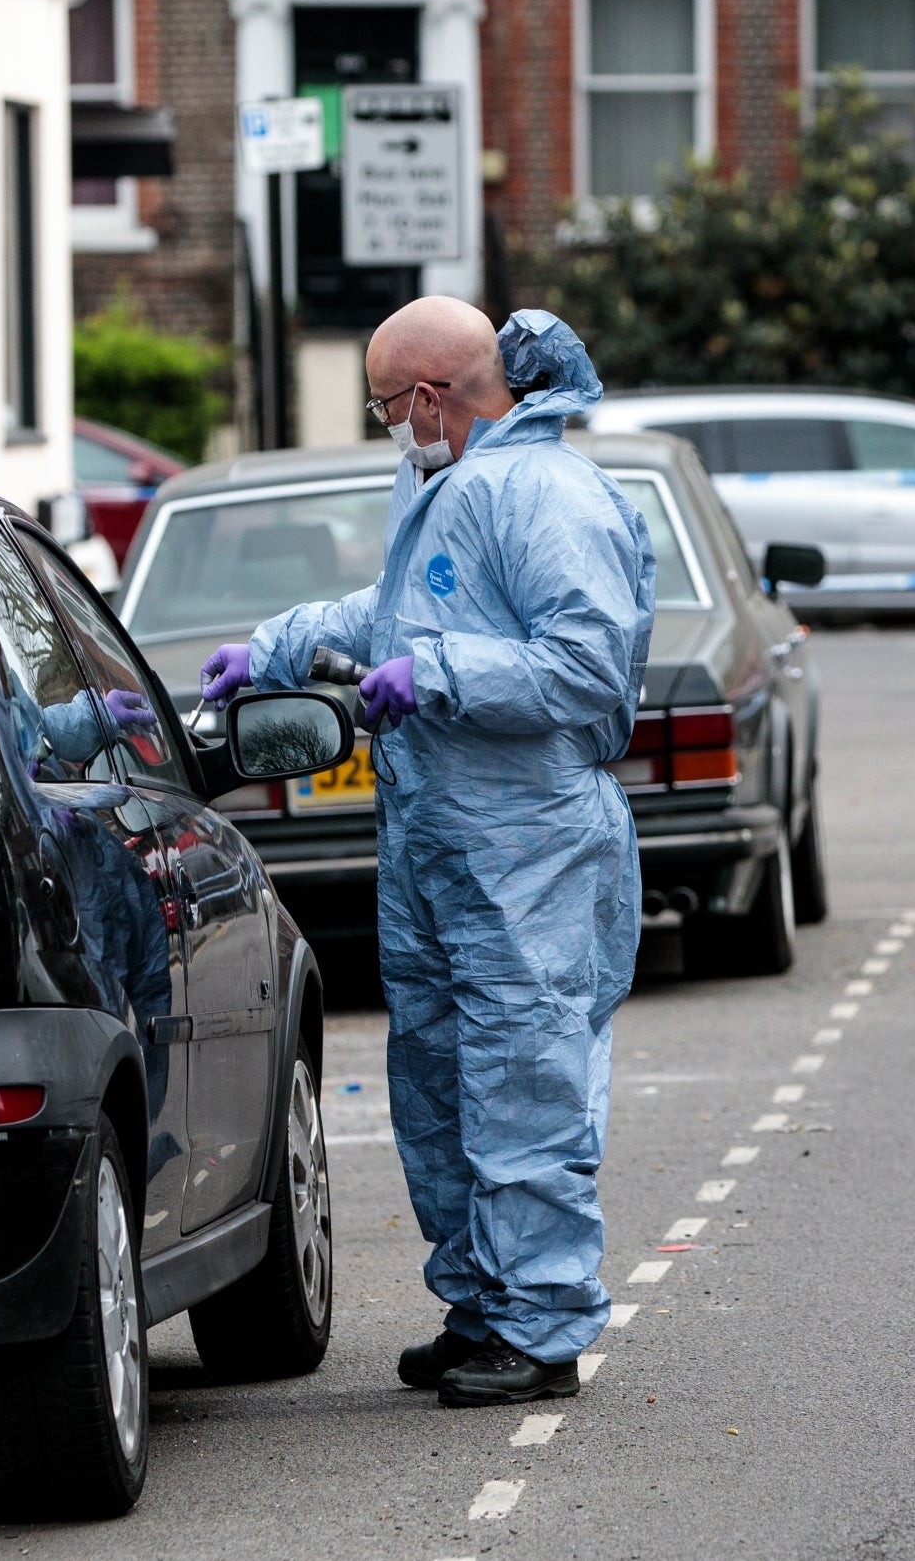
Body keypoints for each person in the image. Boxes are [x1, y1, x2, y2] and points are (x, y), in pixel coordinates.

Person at [200, 298, 655, 1408]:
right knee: (443, 1081)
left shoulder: (544, 493)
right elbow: (400, 608)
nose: (386, 425)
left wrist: (441, 676)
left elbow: (589, 668)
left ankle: (540, 1326)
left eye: (384, 404)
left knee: (521, 1077)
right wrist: (283, 641)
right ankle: (483, 1305)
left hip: (527, 841)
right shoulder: (450, 480)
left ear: (426, 396)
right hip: (446, 836)